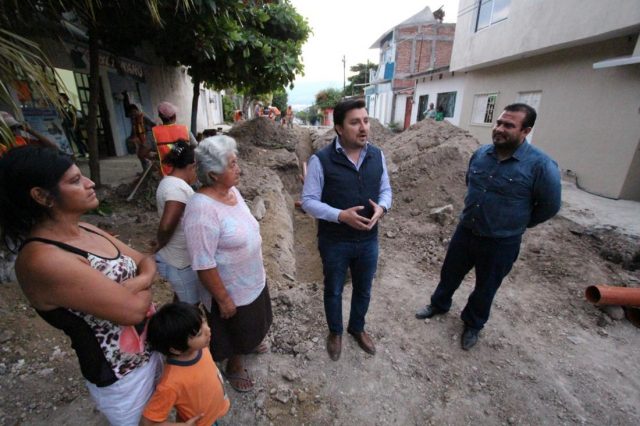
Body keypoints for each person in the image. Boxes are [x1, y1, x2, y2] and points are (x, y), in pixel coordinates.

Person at [0, 145, 161, 425]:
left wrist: (139, 281)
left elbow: (145, 260)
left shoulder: (85, 228)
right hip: (123, 374)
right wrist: (142, 283)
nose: (90, 183)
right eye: (75, 181)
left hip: (153, 347)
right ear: (41, 196)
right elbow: (134, 311)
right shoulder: (44, 259)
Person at [415, 103, 562, 350]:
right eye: (498, 123)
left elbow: (549, 206)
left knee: (486, 287)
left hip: (501, 241)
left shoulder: (541, 166)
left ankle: (473, 324)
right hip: (466, 231)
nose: (500, 129)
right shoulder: (481, 154)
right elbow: (469, 184)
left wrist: (518, 223)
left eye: (509, 125)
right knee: (449, 274)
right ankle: (439, 305)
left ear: (525, 131)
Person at [301, 99, 392, 361]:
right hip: (335, 241)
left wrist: (382, 208)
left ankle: (357, 328)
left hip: (368, 240)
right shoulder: (321, 160)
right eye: (355, 122)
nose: (363, 128)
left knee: (364, 288)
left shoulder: (377, 155)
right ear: (339, 128)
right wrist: (340, 216)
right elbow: (308, 201)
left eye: (366, 121)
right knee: (334, 289)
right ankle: (335, 332)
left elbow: (386, 189)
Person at [183, 135, 272, 392]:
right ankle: (234, 364)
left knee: (255, 322)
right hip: (231, 291)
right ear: (212, 175)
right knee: (236, 330)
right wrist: (223, 299)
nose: (239, 168)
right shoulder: (201, 211)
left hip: (252, 279)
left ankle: (250, 343)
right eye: (232, 164)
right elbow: (203, 264)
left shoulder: (231, 191)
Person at [141, 302, 230, 426]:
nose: (208, 330)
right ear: (176, 349)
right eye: (199, 334)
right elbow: (147, 423)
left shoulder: (200, 348)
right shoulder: (170, 384)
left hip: (213, 411)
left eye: (203, 322)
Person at [154, 140, 204, 305]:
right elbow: (167, 225)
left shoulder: (168, 182)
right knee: (189, 306)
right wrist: (159, 245)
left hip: (177, 257)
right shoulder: (178, 189)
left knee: (182, 301)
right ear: (192, 166)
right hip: (179, 260)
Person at [152, 101, 198, 176]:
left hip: (165, 173)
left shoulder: (154, 132)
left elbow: (145, 152)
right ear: (175, 116)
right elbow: (195, 145)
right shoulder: (185, 130)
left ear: (160, 116)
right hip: (185, 172)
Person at [59, 93, 89, 157]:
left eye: (61, 98)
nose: (60, 99)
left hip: (72, 125)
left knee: (76, 139)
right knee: (69, 140)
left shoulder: (70, 106)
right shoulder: (62, 107)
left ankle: (85, 151)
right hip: (65, 125)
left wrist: (74, 126)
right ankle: (74, 153)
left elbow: (75, 117)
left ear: (65, 98)